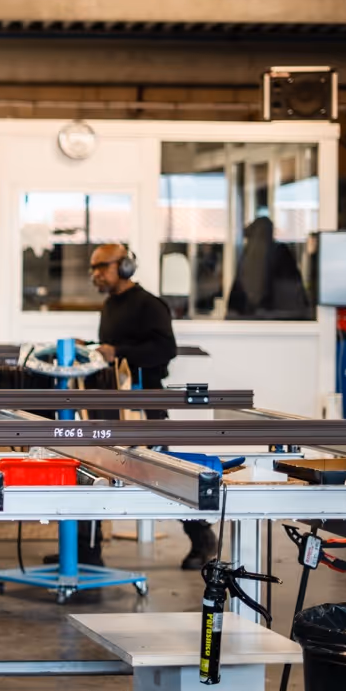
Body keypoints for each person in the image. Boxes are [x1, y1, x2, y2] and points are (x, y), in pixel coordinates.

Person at [90, 243, 216, 571]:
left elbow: (164, 350)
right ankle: (87, 551)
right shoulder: (109, 305)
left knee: (163, 474)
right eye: (93, 268)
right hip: (114, 402)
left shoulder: (149, 304)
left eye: (102, 266)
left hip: (146, 403)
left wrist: (119, 352)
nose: (95, 274)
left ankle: (202, 538)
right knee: (95, 470)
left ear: (125, 266)